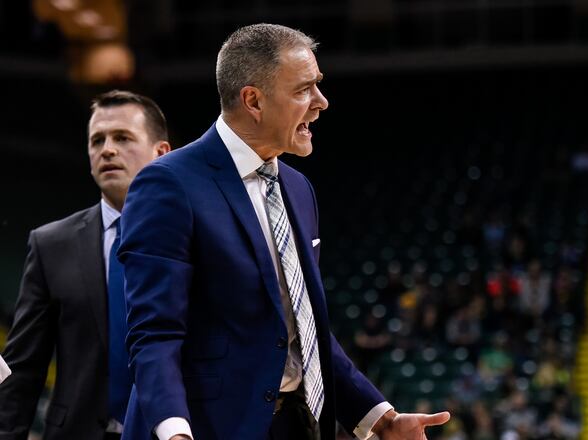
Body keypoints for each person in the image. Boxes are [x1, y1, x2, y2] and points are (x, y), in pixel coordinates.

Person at [118, 23, 450, 440]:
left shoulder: (298, 186)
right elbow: (155, 334)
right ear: (253, 100)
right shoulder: (168, 184)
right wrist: (174, 431)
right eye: (303, 90)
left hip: (295, 425)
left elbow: (303, 328)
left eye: (318, 86)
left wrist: (379, 418)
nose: (321, 103)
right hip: (206, 428)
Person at [0, 90, 171, 439]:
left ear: (161, 153)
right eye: (97, 140)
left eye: (122, 138)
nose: (107, 149)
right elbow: (23, 368)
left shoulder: (199, 238)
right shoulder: (51, 244)